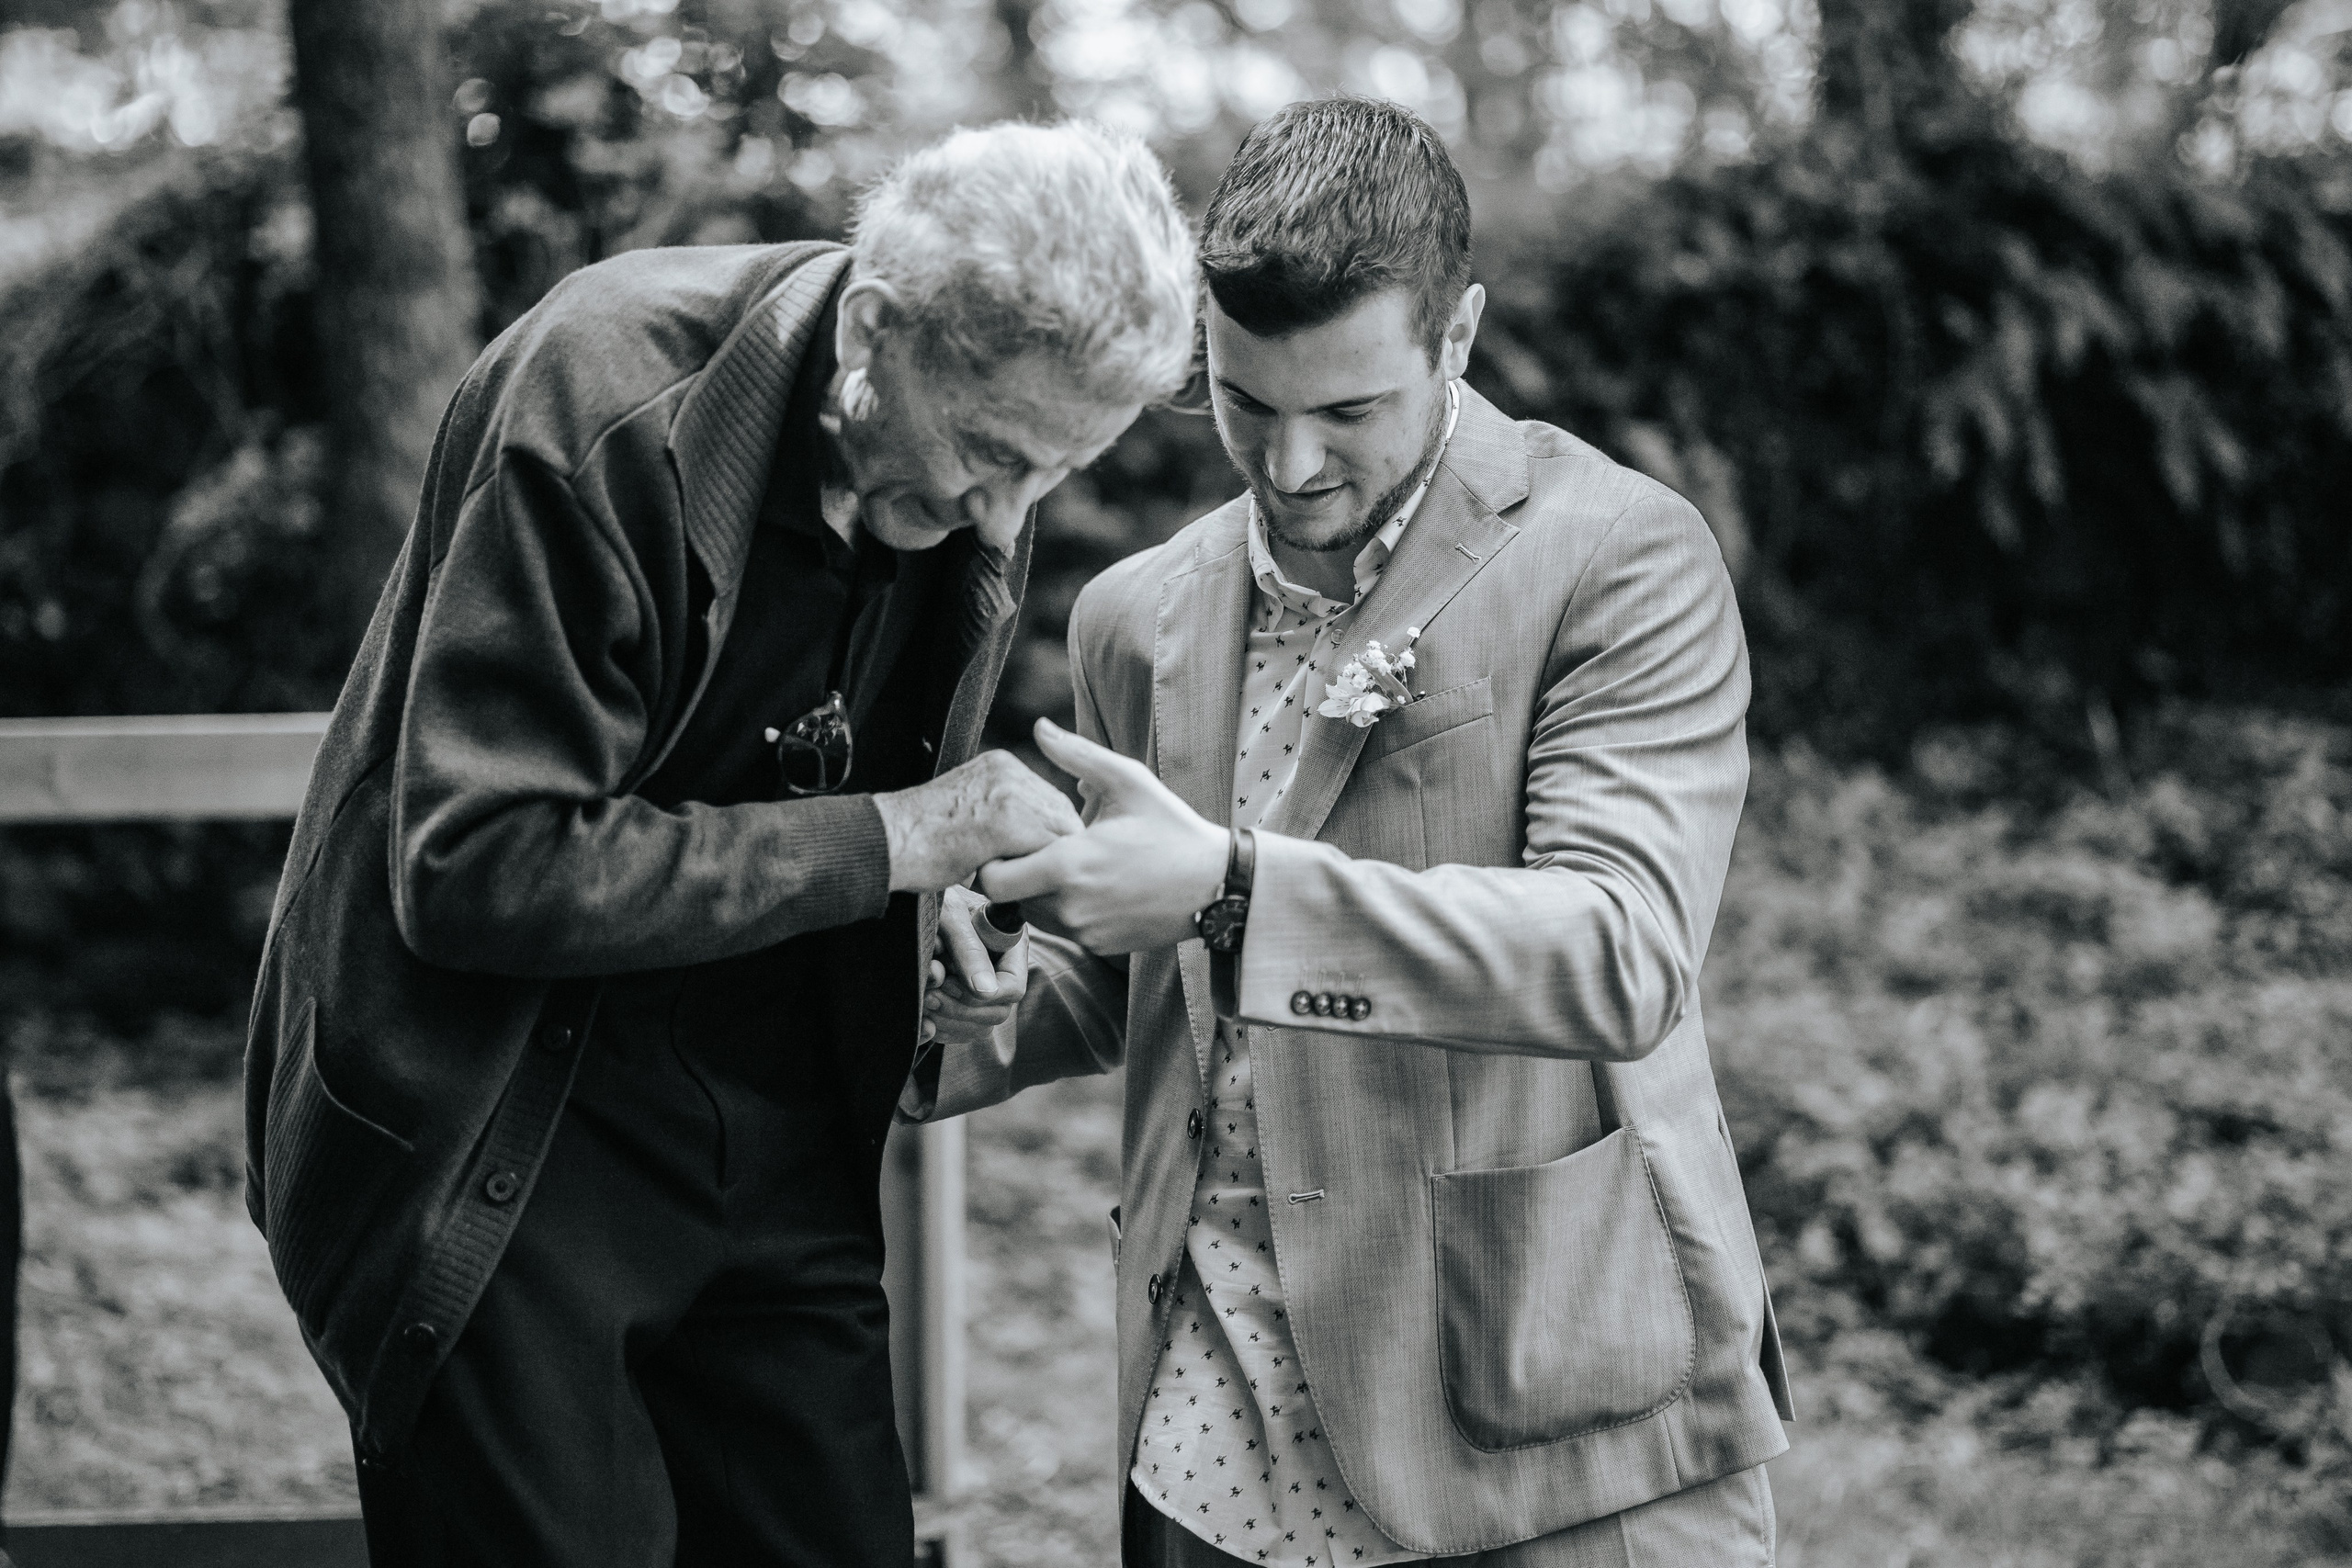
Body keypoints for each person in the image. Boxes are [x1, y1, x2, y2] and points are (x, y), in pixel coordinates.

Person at [243, 120, 1195, 1567]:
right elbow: (475, 864)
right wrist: (894, 838)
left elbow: (829, 784)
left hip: (778, 1156)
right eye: (991, 455)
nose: (1002, 519)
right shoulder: (601, 399)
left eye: (1050, 475)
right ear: (875, 327)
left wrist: (942, 919)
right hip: (504, 1147)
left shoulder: (942, 454)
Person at [910, 97, 1792, 1567]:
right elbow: (1138, 979)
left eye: (1350, 411)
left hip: (1541, 1420)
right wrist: (974, 984)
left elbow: (1622, 956)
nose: (1292, 463)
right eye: (1244, 402)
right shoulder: (1136, 613)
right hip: (1211, 1435)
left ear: (1457, 341)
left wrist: (1231, 889)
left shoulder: (1618, 556)